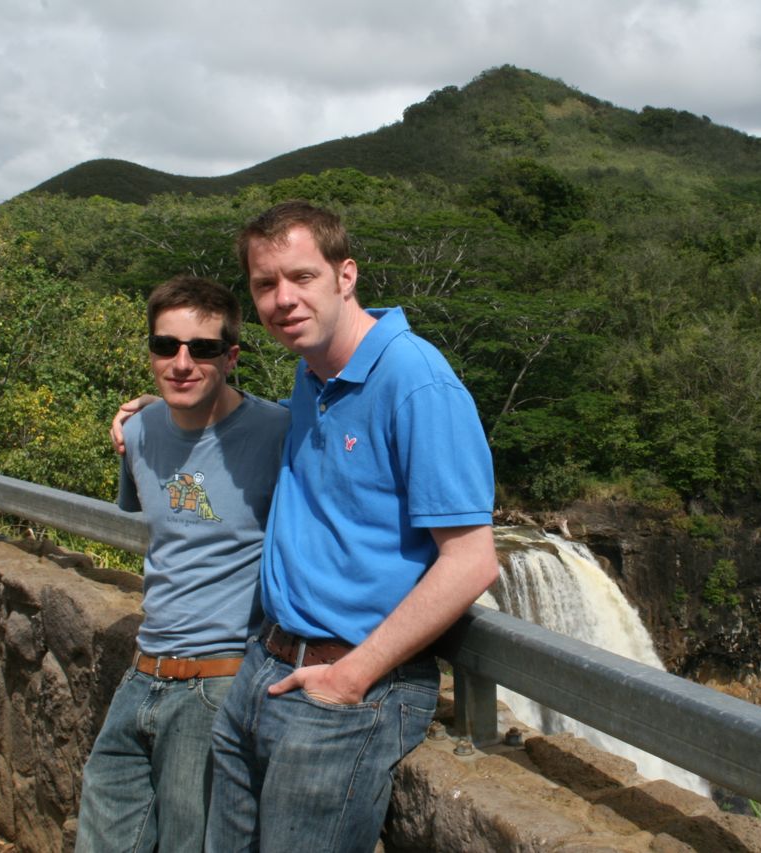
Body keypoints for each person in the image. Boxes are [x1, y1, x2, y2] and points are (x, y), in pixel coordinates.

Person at [112, 202, 499, 852]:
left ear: (346, 275)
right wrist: (171, 408)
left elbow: (472, 561)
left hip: (346, 686)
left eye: (302, 277)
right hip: (264, 668)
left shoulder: (416, 382)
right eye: (265, 284)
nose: (283, 299)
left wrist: (350, 677)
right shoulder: (314, 370)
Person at [76, 275, 288, 853]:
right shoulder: (139, 431)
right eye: (166, 346)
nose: (182, 362)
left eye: (203, 348)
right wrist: (147, 408)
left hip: (217, 684)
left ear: (231, 357)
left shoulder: (278, 433)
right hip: (141, 673)